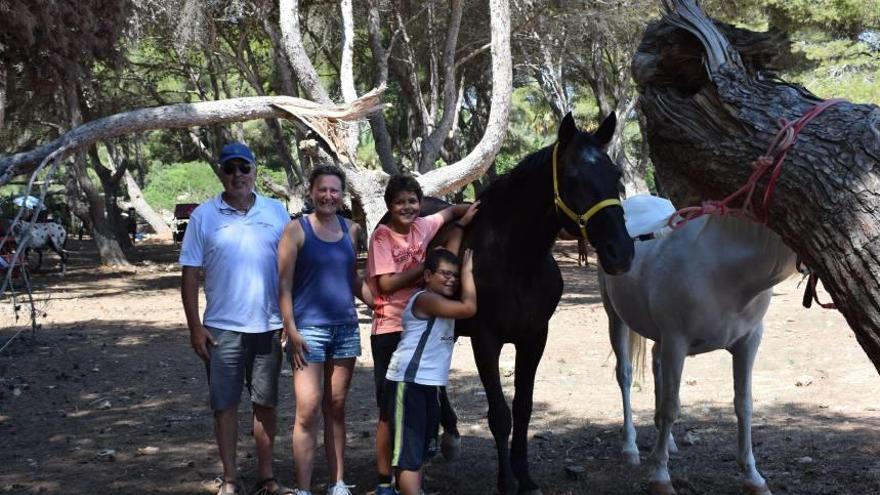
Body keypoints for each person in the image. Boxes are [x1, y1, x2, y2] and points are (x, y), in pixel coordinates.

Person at [180, 142, 293, 495]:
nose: (238, 176)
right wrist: (195, 327)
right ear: (221, 173)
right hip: (221, 330)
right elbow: (190, 273)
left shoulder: (277, 212)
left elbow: (291, 270)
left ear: (255, 170)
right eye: (230, 169)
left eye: (244, 167)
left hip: (269, 326)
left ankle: (266, 476)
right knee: (225, 405)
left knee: (266, 404)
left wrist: (290, 321)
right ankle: (230, 478)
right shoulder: (203, 216)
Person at [367, 175, 477, 495]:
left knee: (416, 419)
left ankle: (408, 477)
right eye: (400, 202)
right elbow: (386, 285)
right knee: (390, 411)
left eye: (413, 201)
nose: (407, 207)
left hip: (421, 324)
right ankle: (384, 480)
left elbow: (452, 211)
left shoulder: (424, 225)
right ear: (389, 206)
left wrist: (467, 216)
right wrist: (428, 266)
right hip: (392, 326)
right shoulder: (382, 237)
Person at [277, 165, 368, 495]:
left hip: (345, 328)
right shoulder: (296, 230)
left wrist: (383, 304)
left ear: (342, 195)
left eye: (335, 190)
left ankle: (338, 482)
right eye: (322, 189)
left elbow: (352, 279)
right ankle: (303, 488)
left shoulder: (352, 230)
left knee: (337, 407)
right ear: (311, 192)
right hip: (308, 331)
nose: (328, 195)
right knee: (308, 409)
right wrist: (290, 328)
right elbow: (284, 286)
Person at [385, 247, 476, 495]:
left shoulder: (439, 298)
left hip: (429, 383)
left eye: (455, 276)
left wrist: (459, 222)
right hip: (409, 381)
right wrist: (468, 273)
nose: (451, 279)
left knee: (421, 450)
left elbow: (450, 251)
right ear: (427, 276)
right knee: (408, 455)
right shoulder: (426, 299)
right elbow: (468, 308)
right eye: (444, 274)